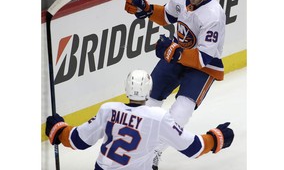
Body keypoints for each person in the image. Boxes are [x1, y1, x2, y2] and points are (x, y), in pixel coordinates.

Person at [124, 0, 226, 169]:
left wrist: (173, 51)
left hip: (203, 67)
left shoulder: (213, 15)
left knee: (179, 113)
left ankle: (153, 153)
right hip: (177, 54)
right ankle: (136, 146)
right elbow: (167, 17)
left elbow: (203, 58)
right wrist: (146, 8)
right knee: (149, 99)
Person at [46, 70, 234, 170]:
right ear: (149, 90)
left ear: (126, 89)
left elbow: (76, 140)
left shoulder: (108, 109)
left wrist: (58, 129)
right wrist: (218, 137)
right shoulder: (158, 118)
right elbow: (194, 148)